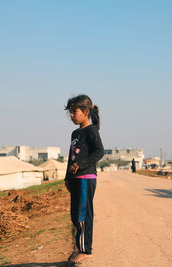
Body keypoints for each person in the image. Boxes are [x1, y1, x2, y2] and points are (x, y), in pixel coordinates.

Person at [64, 95, 104, 263]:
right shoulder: (75, 133)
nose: (72, 115)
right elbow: (71, 157)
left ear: (86, 112)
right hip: (74, 179)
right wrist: (67, 177)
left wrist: (81, 165)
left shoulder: (92, 131)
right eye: (70, 112)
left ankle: (86, 250)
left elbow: (99, 152)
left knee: (82, 214)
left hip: (86, 177)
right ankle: (80, 248)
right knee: (74, 215)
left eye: (75, 112)